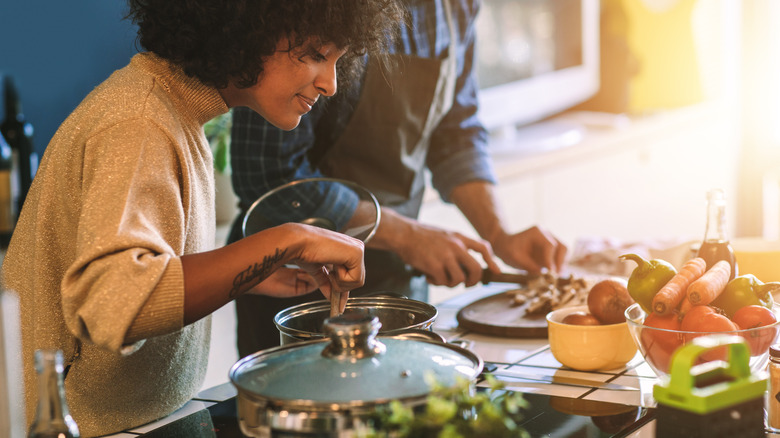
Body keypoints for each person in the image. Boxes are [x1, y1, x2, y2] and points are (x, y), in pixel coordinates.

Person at [1, 0, 405, 436]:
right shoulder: (138, 121)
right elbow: (114, 303)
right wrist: (288, 239)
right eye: (317, 55)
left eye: (338, 61)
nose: (330, 83)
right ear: (250, 27)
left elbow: (152, 267)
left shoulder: (174, 111)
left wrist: (250, 271)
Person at [228, 0, 569, 357]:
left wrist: (499, 234)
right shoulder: (316, 11)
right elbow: (268, 174)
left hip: (397, 282)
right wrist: (405, 235)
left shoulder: (458, 8)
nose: (328, 82)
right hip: (298, 292)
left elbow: (456, 134)